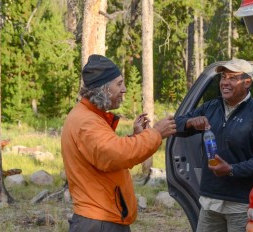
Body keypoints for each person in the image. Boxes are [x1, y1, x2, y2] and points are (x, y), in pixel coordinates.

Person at [61, 54, 176, 232]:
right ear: (103, 89)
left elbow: (106, 153)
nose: (124, 89)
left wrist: (134, 138)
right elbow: (114, 155)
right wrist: (156, 134)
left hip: (103, 217)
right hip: (99, 221)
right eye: (119, 84)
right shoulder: (86, 122)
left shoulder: (89, 117)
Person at [175, 59, 253, 231]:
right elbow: (176, 125)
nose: (225, 82)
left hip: (241, 205)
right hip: (210, 201)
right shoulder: (210, 107)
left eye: (232, 78)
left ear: (247, 82)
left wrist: (231, 169)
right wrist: (190, 122)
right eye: (223, 77)